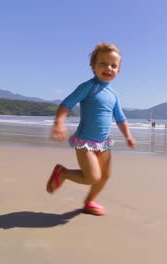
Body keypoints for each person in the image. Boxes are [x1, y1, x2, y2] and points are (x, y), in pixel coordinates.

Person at [47, 42, 136, 216]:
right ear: (93, 66)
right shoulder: (88, 87)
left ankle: (89, 202)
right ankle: (62, 173)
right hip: (85, 142)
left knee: (105, 176)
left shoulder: (113, 94)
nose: (108, 68)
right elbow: (66, 104)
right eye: (102, 63)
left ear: (118, 70)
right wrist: (59, 123)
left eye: (113, 65)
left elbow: (120, 118)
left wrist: (128, 136)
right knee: (92, 177)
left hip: (103, 143)